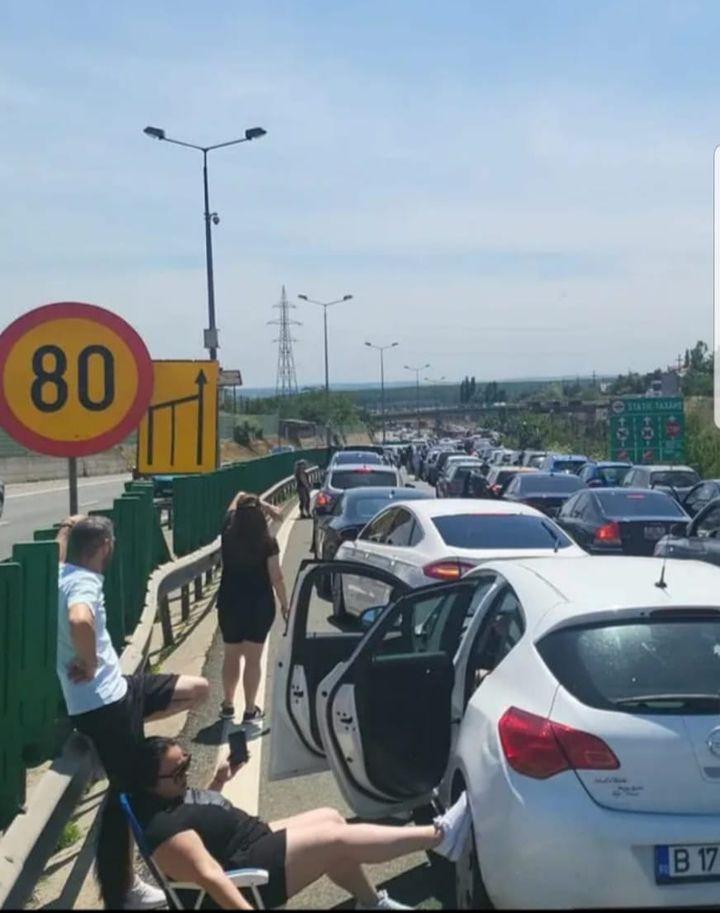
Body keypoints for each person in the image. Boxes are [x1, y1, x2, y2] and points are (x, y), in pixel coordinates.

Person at [98, 736, 471, 910]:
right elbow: (212, 878)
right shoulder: (167, 834)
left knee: (330, 817)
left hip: (251, 839)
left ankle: (371, 904)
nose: (185, 774)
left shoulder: (165, 796)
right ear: (150, 783)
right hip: (250, 873)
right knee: (335, 839)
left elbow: (198, 815)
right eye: (178, 772)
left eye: (187, 763)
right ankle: (439, 836)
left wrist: (219, 781)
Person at [57, 515, 210, 909]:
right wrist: (89, 662)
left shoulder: (61, 570)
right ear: (105, 547)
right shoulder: (84, 581)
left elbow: (64, 549)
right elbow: (79, 618)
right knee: (130, 792)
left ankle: (125, 884)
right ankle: (123, 889)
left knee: (197, 689)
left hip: (121, 692)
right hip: (105, 703)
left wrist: (68, 528)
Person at [217, 493, 288, 723]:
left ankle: (228, 704)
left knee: (231, 655)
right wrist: (285, 604)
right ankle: (249, 709)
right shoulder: (268, 542)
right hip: (259, 605)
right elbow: (277, 577)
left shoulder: (227, 533)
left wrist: (264, 505)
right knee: (253, 659)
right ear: (260, 517)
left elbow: (238, 495)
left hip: (230, 602)